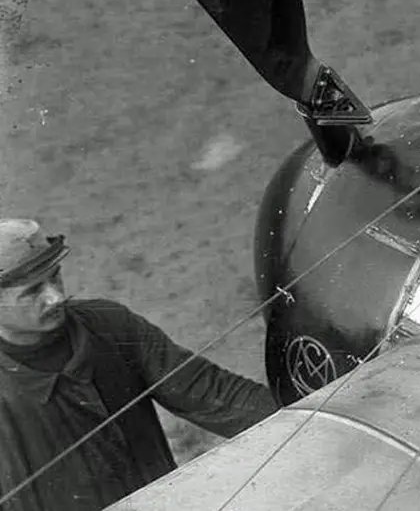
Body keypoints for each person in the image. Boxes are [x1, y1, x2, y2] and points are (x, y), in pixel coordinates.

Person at [0, 218, 279, 510]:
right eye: (33, 291)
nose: (56, 297)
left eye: (55, 277)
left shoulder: (110, 326)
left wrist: (302, 414)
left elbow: (217, 396)